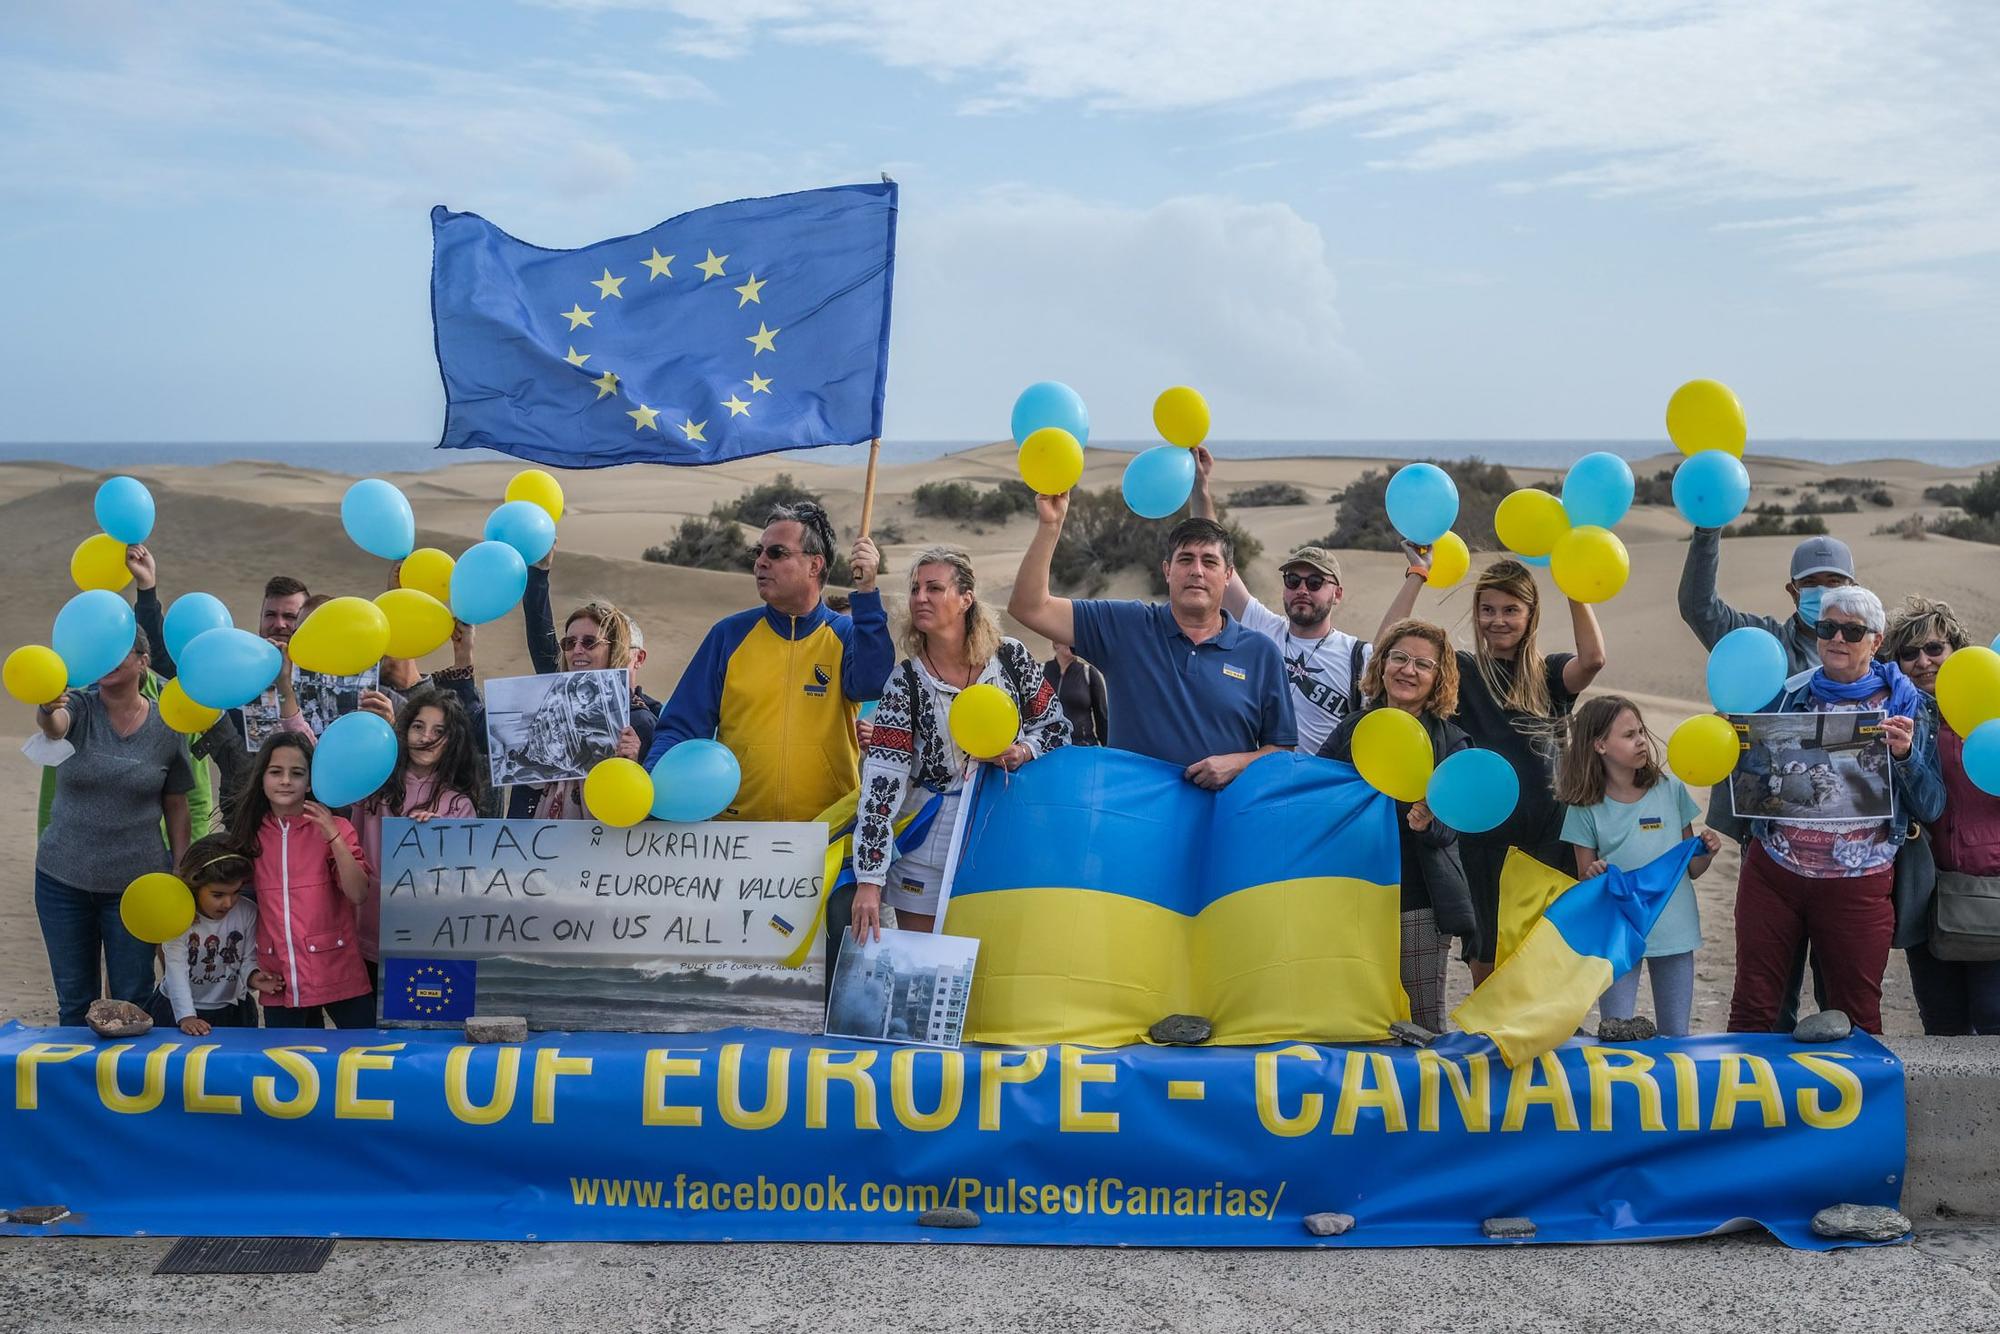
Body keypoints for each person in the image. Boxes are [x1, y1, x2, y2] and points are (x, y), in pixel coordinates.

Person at [1726, 587, 1943, 1036]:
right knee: (1754, 1007)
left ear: (1876, 641)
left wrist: (1905, 757)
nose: (1837, 638)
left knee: (1857, 1015)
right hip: (1775, 873)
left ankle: (1856, 1107)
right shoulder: (1786, 697)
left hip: (1858, 884)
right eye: (1828, 628)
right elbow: (1750, 777)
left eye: (1852, 630)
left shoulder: (1910, 707)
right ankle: (1748, 1105)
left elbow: (1932, 805)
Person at [1383, 555, 1606, 980]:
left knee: (1544, 956)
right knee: (1485, 958)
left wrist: (1576, 585)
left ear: (1530, 614)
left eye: (1510, 610)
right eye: (1487, 609)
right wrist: (1418, 575)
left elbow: (1593, 659)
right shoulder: (1460, 671)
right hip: (1482, 843)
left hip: (1548, 840)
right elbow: (1392, 644)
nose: (1497, 620)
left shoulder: (1550, 674)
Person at [850, 547, 1071, 951]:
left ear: (966, 599)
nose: (920, 598)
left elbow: (1057, 730)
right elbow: (881, 786)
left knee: (996, 956)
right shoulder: (905, 684)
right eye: (915, 588)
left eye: (935, 588)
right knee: (924, 960)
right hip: (926, 842)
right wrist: (869, 880)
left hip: (1001, 829)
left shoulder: (1010, 659)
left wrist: (1022, 751)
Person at [1009, 495, 1295, 784]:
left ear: (1228, 576)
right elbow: (1030, 607)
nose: (1197, 570)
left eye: (1210, 562)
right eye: (1185, 559)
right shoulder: (1125, 626)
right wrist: (1051, 524)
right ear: (1167, 570)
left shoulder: (1260, 653)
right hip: (1132, 818)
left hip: (1220, 821)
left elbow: (1282, 749)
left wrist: (1240, 763)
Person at [646, 502, 891, 821]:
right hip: (736, 835)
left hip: (825, 833)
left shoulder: (845, 634)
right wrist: (651, 788)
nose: (760, 562)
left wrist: (868, 592)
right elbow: (682, 727)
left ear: (815, 565)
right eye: (758, 552)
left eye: (776, 553)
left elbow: (874, 682)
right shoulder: (729, 635)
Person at [1317, 619, 1476, 1031]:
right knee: (1353, 1017)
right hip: (1350, 895)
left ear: (1439, 678)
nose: (1408, 670)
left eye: (1423, 664)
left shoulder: (1451, 741)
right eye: (1400, 658)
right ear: (1382, 664)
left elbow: (1455, 830)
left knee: (1423, 1022)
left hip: (1418, 900)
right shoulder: (1353, 728)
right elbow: (1314, 795)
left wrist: (1429, 823)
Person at [31, 627, 195, 1025]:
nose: (107, 658)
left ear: (143, 660)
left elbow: (176, 804)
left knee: (132, 1001)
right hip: (61, 880)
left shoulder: (168, 725)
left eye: (119, 651)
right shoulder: (81, 709)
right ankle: (78, 1086)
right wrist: (47, 707)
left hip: (135, 887)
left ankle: (128, 1086)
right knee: (74, 1002)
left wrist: (179, 866)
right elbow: (54, 726)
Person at [1555, 696, 1722, 1037]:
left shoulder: (1670, 790)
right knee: (1614, 1033)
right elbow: (1584, 880)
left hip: (1674, 930)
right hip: (1618, 934)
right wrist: (1593, 875)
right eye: (1629, 735)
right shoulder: (1584, 808)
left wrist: (1706, 852)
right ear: (1600, 745)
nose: (1642, 740)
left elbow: (1690, 869)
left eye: (1641, 731)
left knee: (1677, 1037)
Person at [1192, 449, 1368, 752]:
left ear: (1337, 593)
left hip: (1320, 792)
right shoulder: (1262, 628)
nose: (1302, 589)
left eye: (1315, 582)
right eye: (1292, 580)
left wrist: (1417, 574)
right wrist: (1200, 486)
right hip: (1259, 781)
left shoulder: (1358, 656)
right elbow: (1213, 547)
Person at [1884, 596, 2000, 1034]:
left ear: (1957, 649)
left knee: (1994, 1020)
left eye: (1934, 648)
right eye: (1909, 653)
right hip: (1926, 895)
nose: (1923, 662)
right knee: (1941, 1024)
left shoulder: (1991, 714)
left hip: (1991, 891)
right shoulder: (1893, 719)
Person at [226, 732, 376, 1029]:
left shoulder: (338, 828)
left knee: (368, 1053)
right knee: (289, 1063)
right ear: (262, 779)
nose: (285, 781)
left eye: (296, 773)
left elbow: (358, 893)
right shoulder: (249, 834)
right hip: (279, 975)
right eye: (275, 772)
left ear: (310, 782)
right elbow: (228, 897)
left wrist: (333, 836)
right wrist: (250, 971)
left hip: (336, 968)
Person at [353, 687, 483, 987]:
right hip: (365, 935)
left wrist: (439, 840)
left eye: (439, 731)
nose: (425, 738)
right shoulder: (373, 784)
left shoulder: (458, 805)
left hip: (423, 940)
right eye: (418, 726)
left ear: (453, 742)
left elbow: (465, 881)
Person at [510, 589, 652, 820]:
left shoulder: (638, 720)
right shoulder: (544, 707)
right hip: (533, 845)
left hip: (600, 847)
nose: (577, 649)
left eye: (589, 642)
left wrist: (632, 766)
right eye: (569, 642)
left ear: (613, 649)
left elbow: (646, 814)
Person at [146, 835, 276, 1035]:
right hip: (177, 1009)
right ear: (194, 886)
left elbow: (247, 959)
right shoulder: (179, 916)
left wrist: (254, 977)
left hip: (232, 1011)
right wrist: (186, 1016)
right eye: (218, 895)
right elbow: (176, 969)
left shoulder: (247, 912)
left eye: (236, 892)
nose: (228, 903)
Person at [1042, 643, 1108, 746]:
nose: (1072, 643)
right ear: (1055, 644)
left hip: (1083, 746)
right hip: (1050, 747)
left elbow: (1102, 717)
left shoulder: (1088, 673)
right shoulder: (1041, 671)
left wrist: (1108, 749)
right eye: (1066, 639)